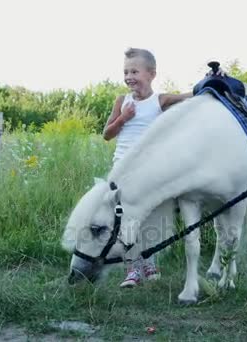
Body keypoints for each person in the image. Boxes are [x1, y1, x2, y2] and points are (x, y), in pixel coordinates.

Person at [103, 48, 193, 288]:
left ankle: (150, 263)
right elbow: (106, 134)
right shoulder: (122, 102)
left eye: (134, 71)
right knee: (127, 220)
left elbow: (190, 95)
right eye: (125, 71)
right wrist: (123, 118)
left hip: (149, 170)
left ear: (151, 74)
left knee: (150, 219)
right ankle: (132, 269)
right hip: (122, 169)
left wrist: (214, 80)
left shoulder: (159, 101)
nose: (129, 76)